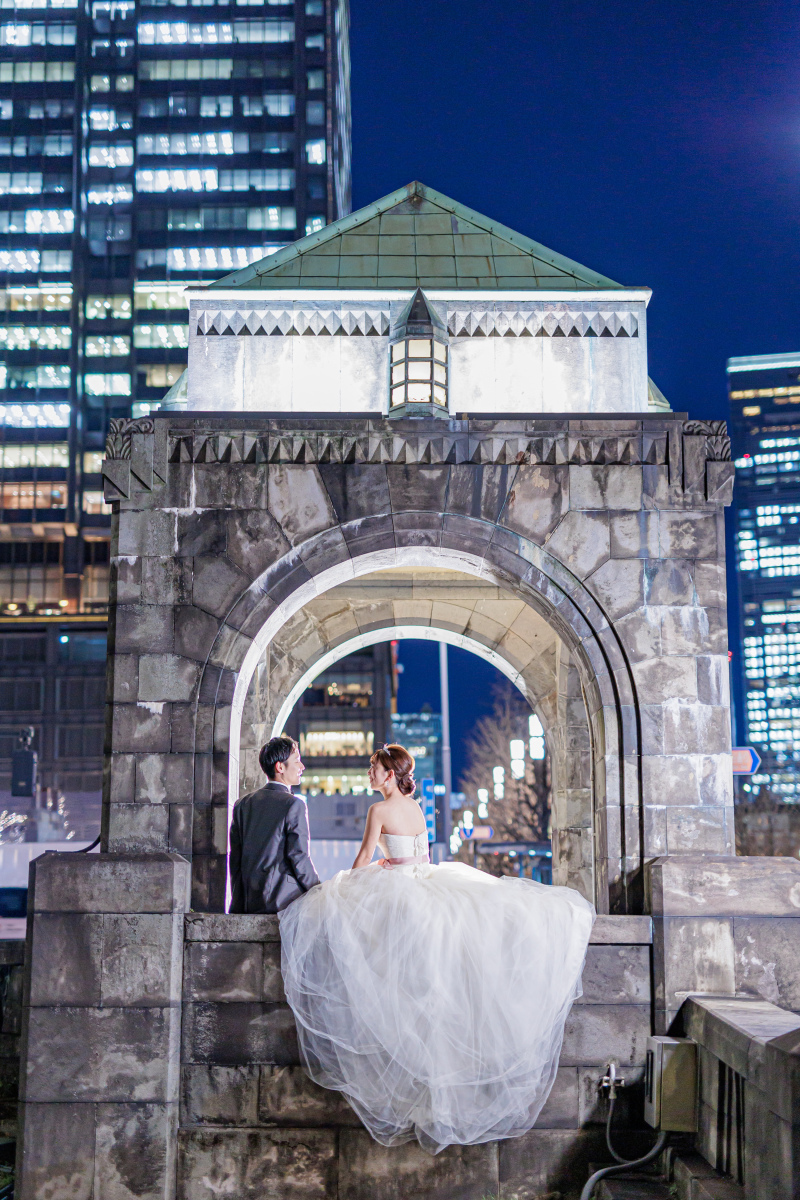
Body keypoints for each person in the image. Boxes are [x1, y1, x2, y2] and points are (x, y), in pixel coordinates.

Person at [279, 742, 595, 1156]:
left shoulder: (378, 810)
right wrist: (391, 865)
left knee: (381, 963)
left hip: (398, 891)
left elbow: (362, 859)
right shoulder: (414, 807)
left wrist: (343, 889)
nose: (370, 774)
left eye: (374, 768)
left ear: (390, 774)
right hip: (424, 883)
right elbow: (419, 857)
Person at [229, 736, 320, 914]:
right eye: (297, 761)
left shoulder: (242, 804)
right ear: (280, 767)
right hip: (284, 901)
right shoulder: (294, 804)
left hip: (248, 901)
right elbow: (298, 856)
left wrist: (238, 903)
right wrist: (317, 890)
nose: (302, 767)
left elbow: (235, 860)